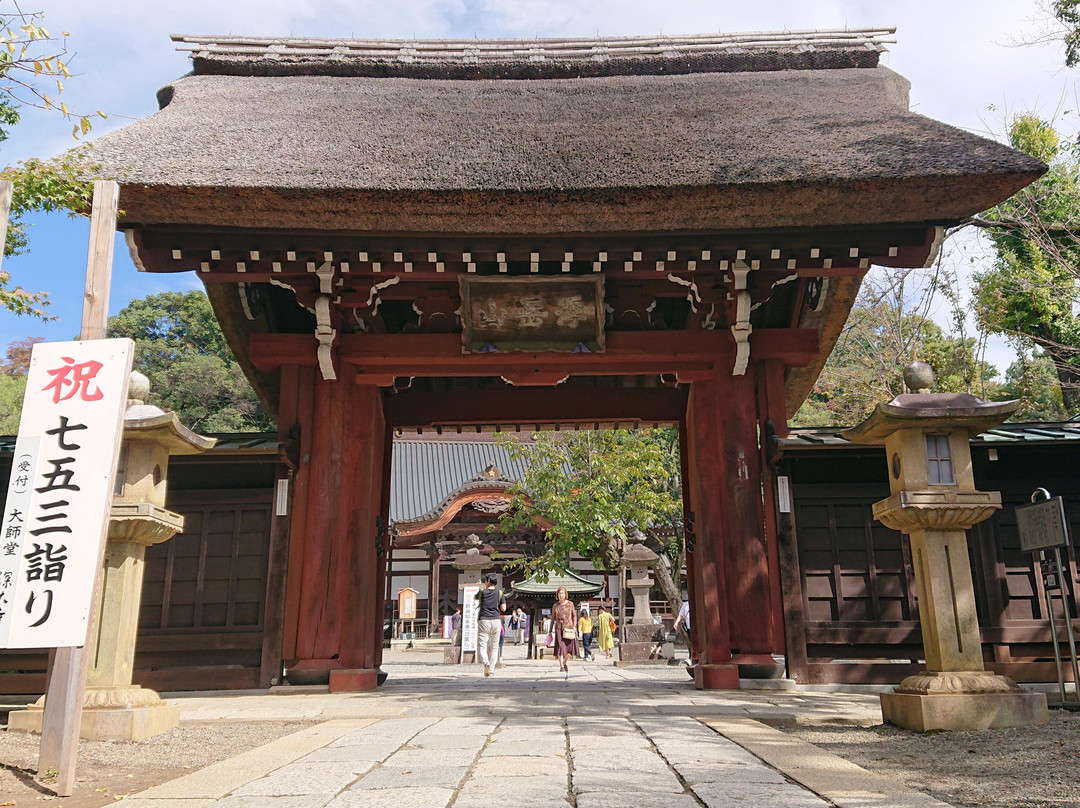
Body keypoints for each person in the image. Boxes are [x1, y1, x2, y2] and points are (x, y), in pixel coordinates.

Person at [475, 575, 506, 677]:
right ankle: (491, 670)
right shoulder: (500, 593)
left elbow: (475, 597)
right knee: (494, 646)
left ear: (488, 581)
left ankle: (486, 663)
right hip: (496, 620)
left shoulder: (482, 592)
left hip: (484, 620)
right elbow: (504, 608)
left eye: (485, 580)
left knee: (482, 645)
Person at [551, 586, 577, 676]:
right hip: (559, 627)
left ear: (565, 594)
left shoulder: (570, 604)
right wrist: (550, 631)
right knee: (560, 647)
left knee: (570, 648)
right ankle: (561, 665)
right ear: (557, 595)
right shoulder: (555, 606)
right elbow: (552, 619)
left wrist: (574, 626)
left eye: (562, 593)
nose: (561, 595)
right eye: (559, 593)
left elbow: (574, 615)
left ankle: (565, 661)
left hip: (569, 628)